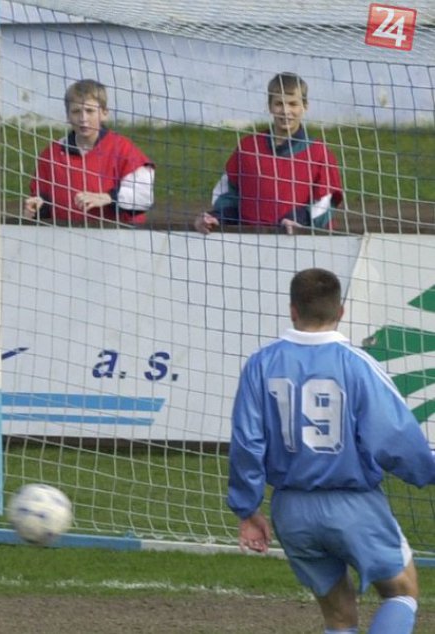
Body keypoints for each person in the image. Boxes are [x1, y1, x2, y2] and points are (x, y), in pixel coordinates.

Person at [227, 267, 435, 634]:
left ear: (292, 309)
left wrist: (247, 509)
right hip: (352, 504)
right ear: (341, 311)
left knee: (338, 617)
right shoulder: (357, 365)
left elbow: (247, 443)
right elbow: (394, 437)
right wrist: (426, 472)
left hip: (292, 510)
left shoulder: (260, 365)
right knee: (401, 592)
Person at [194, 72, 343, 235]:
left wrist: (297, 219)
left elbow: (325, 204)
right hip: (250, 243)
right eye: (279, 103)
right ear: (270, 106)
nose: (285, 111)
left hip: (303, 244)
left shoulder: (319, 153)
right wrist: (217, 217)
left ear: (305, 106)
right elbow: (228, 194)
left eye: (293, 104)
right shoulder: (248, 148)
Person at [23, 79, 155, 226]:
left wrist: (108, 198)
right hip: (66, 239)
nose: (83, 119)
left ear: (104, 113)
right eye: (76, 112)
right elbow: (42, 198)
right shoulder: (51, 154)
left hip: (119, 238)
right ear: (67, 116)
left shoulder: (124, 150)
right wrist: (36, 208)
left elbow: (144, 198)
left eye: (90, 111)